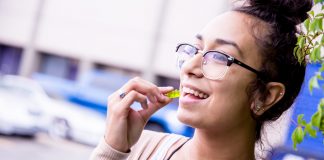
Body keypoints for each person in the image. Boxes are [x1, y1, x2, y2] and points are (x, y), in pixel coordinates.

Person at [90, 0, 313, 159]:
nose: (189, 67)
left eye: (219, 57)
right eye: (196, 50)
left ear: (265, 96)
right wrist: (112, 150)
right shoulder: (138, 149)